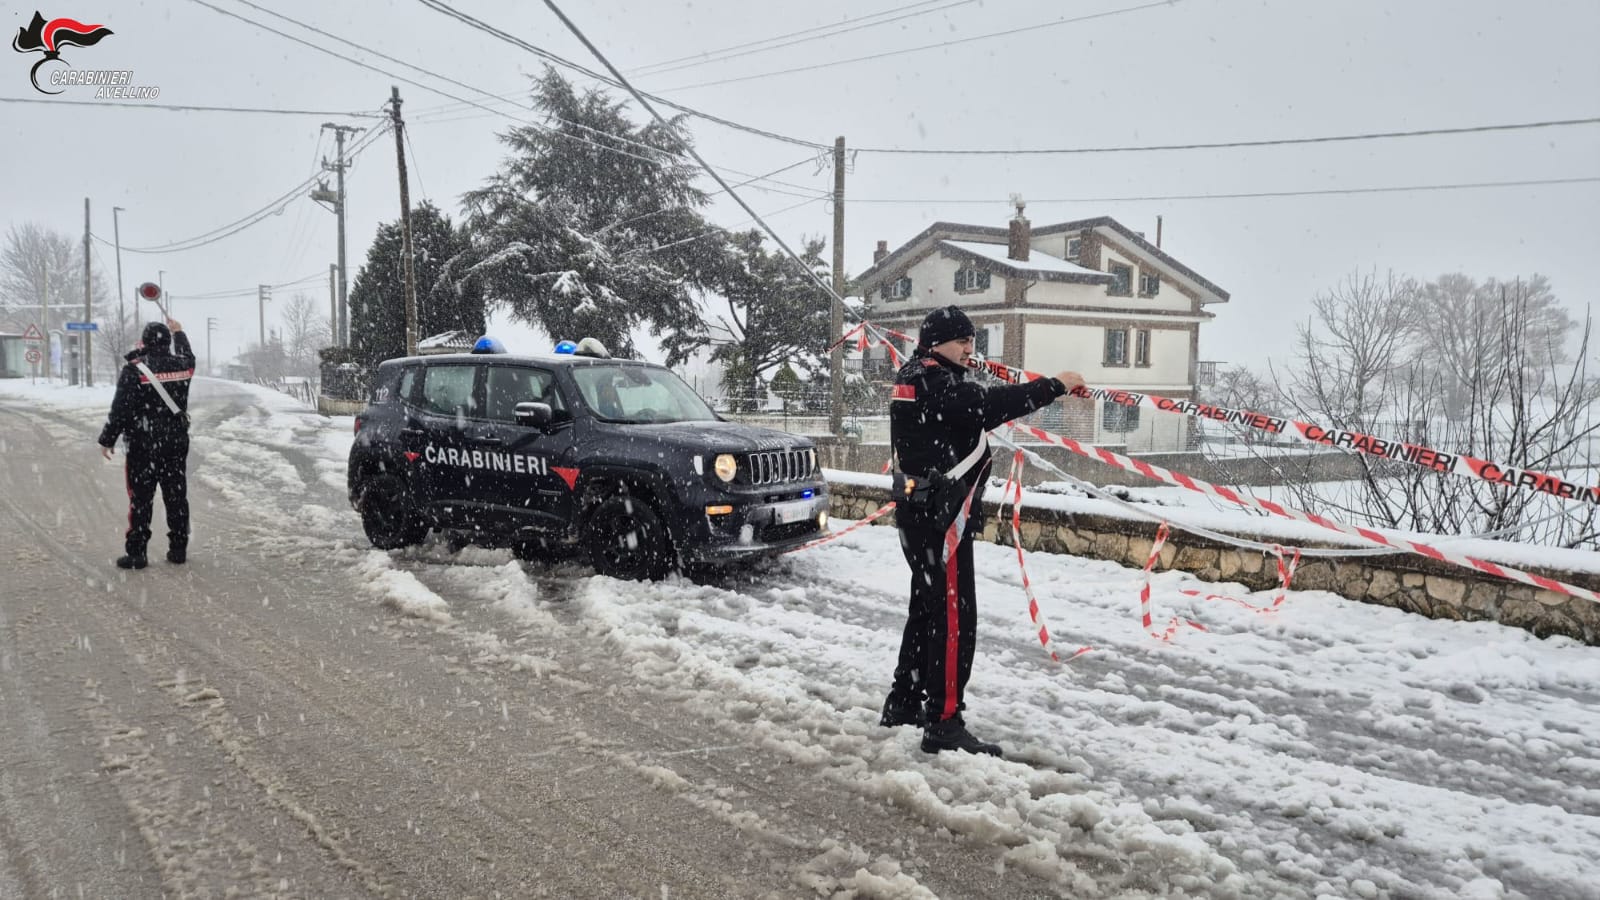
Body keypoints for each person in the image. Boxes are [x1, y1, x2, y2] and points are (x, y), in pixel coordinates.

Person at [882, 305, 1085, 757]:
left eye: (972, 341)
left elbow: (971, 406)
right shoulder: (934, 381)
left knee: (927, 609)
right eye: (961, 341)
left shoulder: (914, 375)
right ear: (936, 343)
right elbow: (987, 407)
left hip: (921, 517)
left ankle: (904, 701)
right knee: (954, 621)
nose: (969, 349)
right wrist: (1055, 385)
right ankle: (944, 721)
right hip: (942, 521)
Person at [98, 318, 196, 569]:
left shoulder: (135, 370)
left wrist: (108, 439)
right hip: (175, 441)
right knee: (176, 495)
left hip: (143, 444)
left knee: (141, 498)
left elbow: (120, 409)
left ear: (144, 342)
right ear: (167, 342)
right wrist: (179, 332)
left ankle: (137, 552)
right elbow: (188, 355)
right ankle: (178, 548)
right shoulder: (182, 366)